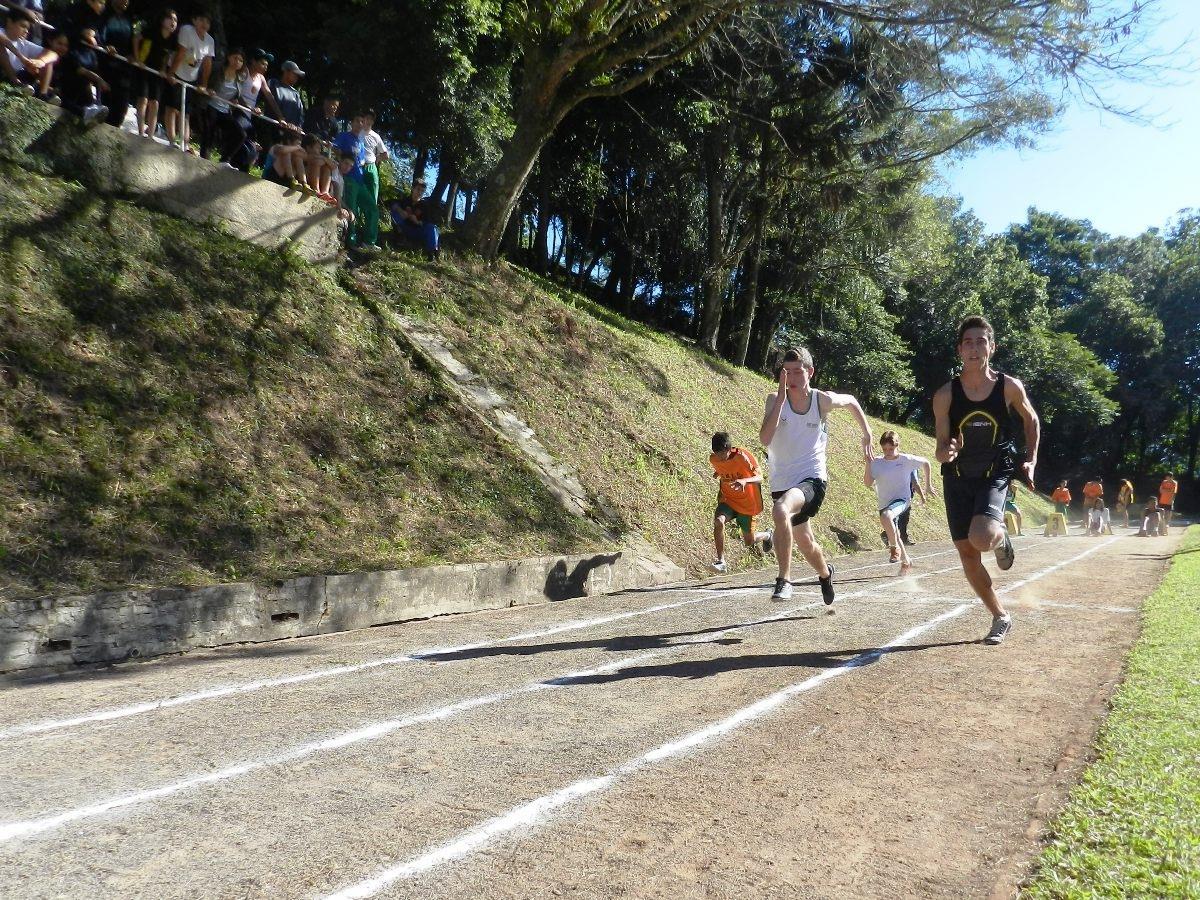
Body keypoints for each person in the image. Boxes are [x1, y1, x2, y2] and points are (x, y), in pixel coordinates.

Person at [933, 315, 1040, 646]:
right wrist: (947, 452)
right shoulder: (945, 395)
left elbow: (1032, 420)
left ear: (992, 347)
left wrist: (1032, 459)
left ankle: (999, 534)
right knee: (968, 554)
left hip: (995, 472)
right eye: (968, 342)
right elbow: (940, 449)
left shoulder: (1008, 387)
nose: (974, 348)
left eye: (981, 341)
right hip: (958, 476)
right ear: (959, 350)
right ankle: (1000, 616)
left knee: (981, 537)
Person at [760, 346, 873, 604]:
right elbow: (765, 439)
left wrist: (866, 433)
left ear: (810, 372)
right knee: (806, 542)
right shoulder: (774, 400)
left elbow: (851, 401)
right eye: (786, 372)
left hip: (812, 478)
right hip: (782, 480)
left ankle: (784, 580)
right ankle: (825, 573)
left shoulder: (821, 400)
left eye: (797, 372)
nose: (791, 378)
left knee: (781, 510)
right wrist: (780, 400)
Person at [864, 430, 934, 572]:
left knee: (886, 517)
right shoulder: (877, 462)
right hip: (884, 502)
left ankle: (894, 548)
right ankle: (906, 561)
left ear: (897, 446)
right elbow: (867, 483)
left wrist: (928, 485)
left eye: (891, 449)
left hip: (902, 499)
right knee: (894, 530)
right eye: (884, 449)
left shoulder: (906, 460)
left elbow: (926, 463)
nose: (888, 452)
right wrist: (868, 463)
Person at [708, 432, 773, 572]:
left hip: (746, 505)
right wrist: (719, 472)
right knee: (718, 521)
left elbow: (760, 478)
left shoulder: (742, 457)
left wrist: (744, 481)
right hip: (728, 500)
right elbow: (723, 468)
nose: (720, 457)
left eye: (722, 454)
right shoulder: (714, 459)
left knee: (749, 541)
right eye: (717, 454)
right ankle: (721, 561)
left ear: (728, 448)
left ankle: (767, 535)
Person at [164, 8, 214, 151]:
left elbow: (207, 63)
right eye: (201, 20)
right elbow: (181, 53)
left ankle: (185, 144)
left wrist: (204, 84)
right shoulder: (187, 30)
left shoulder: (210, 40)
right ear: (194, 20)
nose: (204, 24)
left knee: (185, 112)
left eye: (207, 22)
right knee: (171, 107)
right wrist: (171, 73)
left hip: (191, 77)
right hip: (177, 71)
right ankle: (172, 140)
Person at [132, 8, 177, 140]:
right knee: (143, 99)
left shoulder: (172, 39)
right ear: (163, 20)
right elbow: (136, 39)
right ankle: (141, 131)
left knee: (155, 103)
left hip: (157, 73)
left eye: (175, 20)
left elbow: (167, 55)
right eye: (170, 18)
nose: (173, 22)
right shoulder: (151, 31)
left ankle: (150, 135)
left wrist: (164, 69)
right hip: (144, 68)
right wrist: (137, 59)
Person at [49, 29, 109, 123]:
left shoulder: (89, 55)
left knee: (84, 84)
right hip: (52, 90)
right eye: (59, 44)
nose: (63, 48)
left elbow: (93, 76)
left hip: (68, 92)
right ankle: (84, 112)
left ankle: (92, 108)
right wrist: (99, 79)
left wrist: (98, 100)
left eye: (65, 45)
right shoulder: (68, 54)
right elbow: (82, 71)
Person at [332, 114, 372, 248]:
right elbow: (335, 148)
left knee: (372, 207)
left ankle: (369, 241)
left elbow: (362, 162)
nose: (360, 124)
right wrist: (343, 162)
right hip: (348, 179)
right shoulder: (344, 136)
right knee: (352, 208)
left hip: (360, 181)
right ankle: (350, 241)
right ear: (352, 122)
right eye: (357, 121)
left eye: (362, 121)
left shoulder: (361, 142)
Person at [1, 8, 56, 99]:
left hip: (20, 75)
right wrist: (21, 57)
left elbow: (53, 54)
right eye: (23, 26)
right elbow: (3, 40)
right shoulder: (1, 32)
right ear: (9, 22)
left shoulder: (24, 43)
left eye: (28, 28)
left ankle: (43, 94)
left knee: (47, 61)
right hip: (3, 72)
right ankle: (15, 82)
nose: (26, 31)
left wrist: (41, 61)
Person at [97, 0, 135, 127]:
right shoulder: (104, 14)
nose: (126, 1)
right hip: (107, 64)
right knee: (107, 101)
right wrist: (105, 46)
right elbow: (99, 34)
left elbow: (131, 41)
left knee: (122, 105)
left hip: (124, 67)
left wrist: (131, 54)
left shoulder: (128, 19)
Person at [388, 177, 440, 259]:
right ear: (413, 189)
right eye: (418, 189)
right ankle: (399, 238)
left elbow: (429, 222)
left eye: (422, 191)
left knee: (433, 228)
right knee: (395, 211)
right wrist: (401, 211)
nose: (419, 193)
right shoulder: (405, 200)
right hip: (404, 228)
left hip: (417, 231)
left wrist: (417, 222)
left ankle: (432, 253)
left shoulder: (425, 206)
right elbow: (391, 203)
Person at [357, 109, 387, 248]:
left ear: (373, 121)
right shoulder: (357, 132)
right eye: (366, 118)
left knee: (372, 204)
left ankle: (369, 240)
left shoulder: (376, 136)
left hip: (371, 167)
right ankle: (354, 232)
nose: (367, 121)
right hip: (358, 167)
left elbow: (385, 154)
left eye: (370, 119)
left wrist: (376, 159)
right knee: (356, 200)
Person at [267, 59, 305, 130]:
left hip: (290, 132)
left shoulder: (295, 93)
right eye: (295, 73)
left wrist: (298, 127)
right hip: (271, 129)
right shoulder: (273, 84)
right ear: (286, 72)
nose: (297, 77)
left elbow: (300, 115)